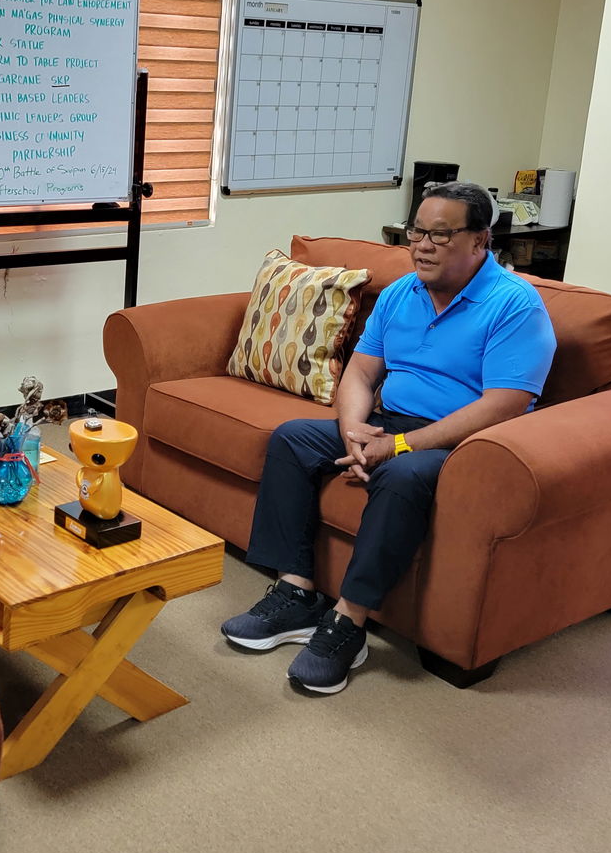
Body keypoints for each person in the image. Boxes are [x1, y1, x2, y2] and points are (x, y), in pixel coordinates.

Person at [220, 183, 557, 696]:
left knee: (400, 475)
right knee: (291, 439)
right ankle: (296, 592)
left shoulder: (515, 306)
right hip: (388, 421)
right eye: (416, 231)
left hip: (464, 443)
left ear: (480, 240)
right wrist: (355, 432)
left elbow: (503, 404)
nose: (422, 244)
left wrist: (398, 447)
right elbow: (359, 373)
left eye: (440, 235)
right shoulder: (403, 292)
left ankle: (348, 624)